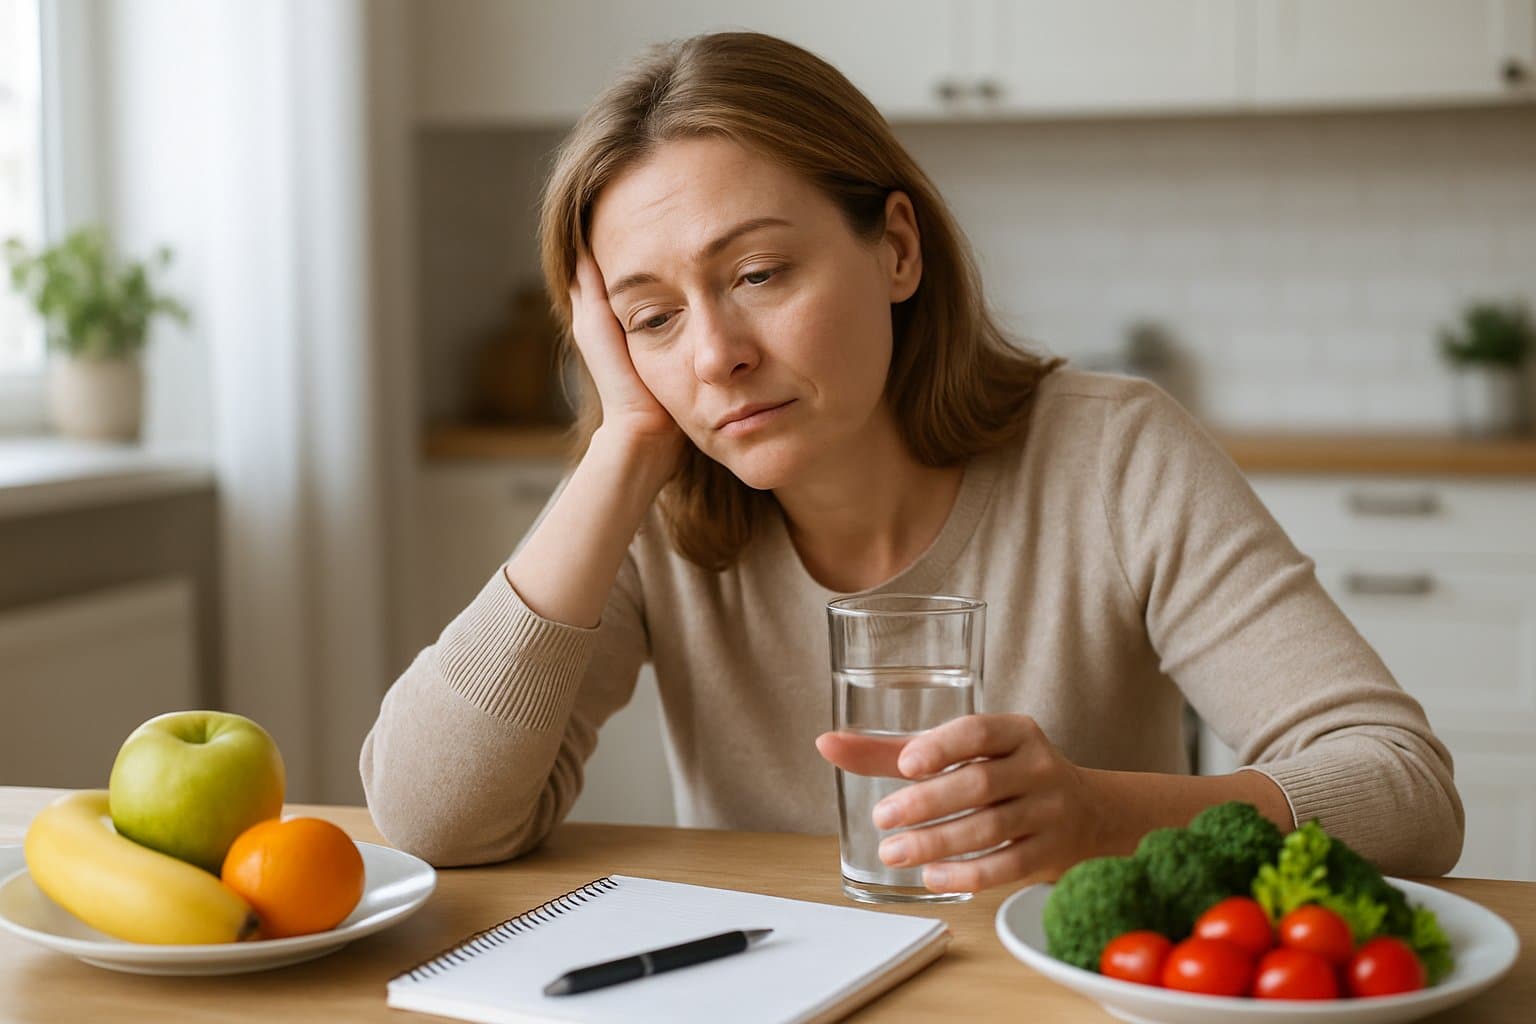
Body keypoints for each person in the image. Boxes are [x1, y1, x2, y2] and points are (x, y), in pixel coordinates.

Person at [360, 31, 1463, 890]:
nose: (716, 357)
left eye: (756, 274)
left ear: (894, 247)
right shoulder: (652, 505)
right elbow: (431, 820)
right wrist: (622, 448)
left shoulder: (1112, 454)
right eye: (650, 318)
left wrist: (1104, 815)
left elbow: (1408, 794)